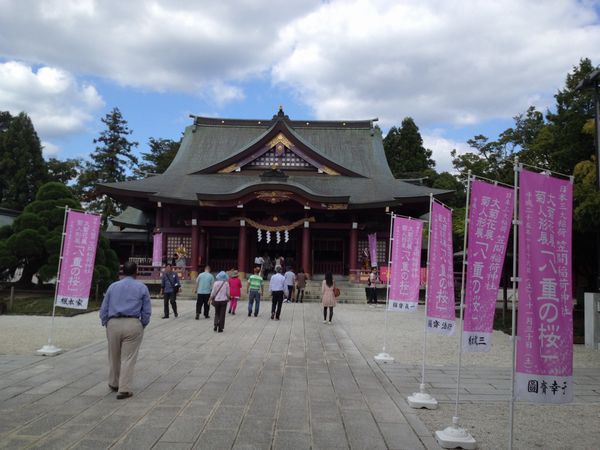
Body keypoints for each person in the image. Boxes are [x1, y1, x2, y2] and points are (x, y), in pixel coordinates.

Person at [99, 261, 151, 399]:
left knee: (114, 355)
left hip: (113, 323)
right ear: (136, 272)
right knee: (128, 358)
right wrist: (142, 324)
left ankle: (114, 382)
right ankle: (124, 388)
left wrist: (106, 321)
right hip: (133, 322)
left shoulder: (112, 286)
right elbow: (146, 311)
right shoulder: (142, 288)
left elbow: (104, 307)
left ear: (122, 272)